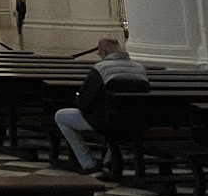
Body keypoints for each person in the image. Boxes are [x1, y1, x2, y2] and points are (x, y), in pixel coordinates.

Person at [54, 36, 150, 174]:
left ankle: (88, 163)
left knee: (61, 116)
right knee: (117, 116)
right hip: (134, 121)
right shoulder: (140, 69)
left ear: (104, 52)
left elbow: (84, 102)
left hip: (105, 121)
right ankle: (108, 159)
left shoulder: (100, 69)